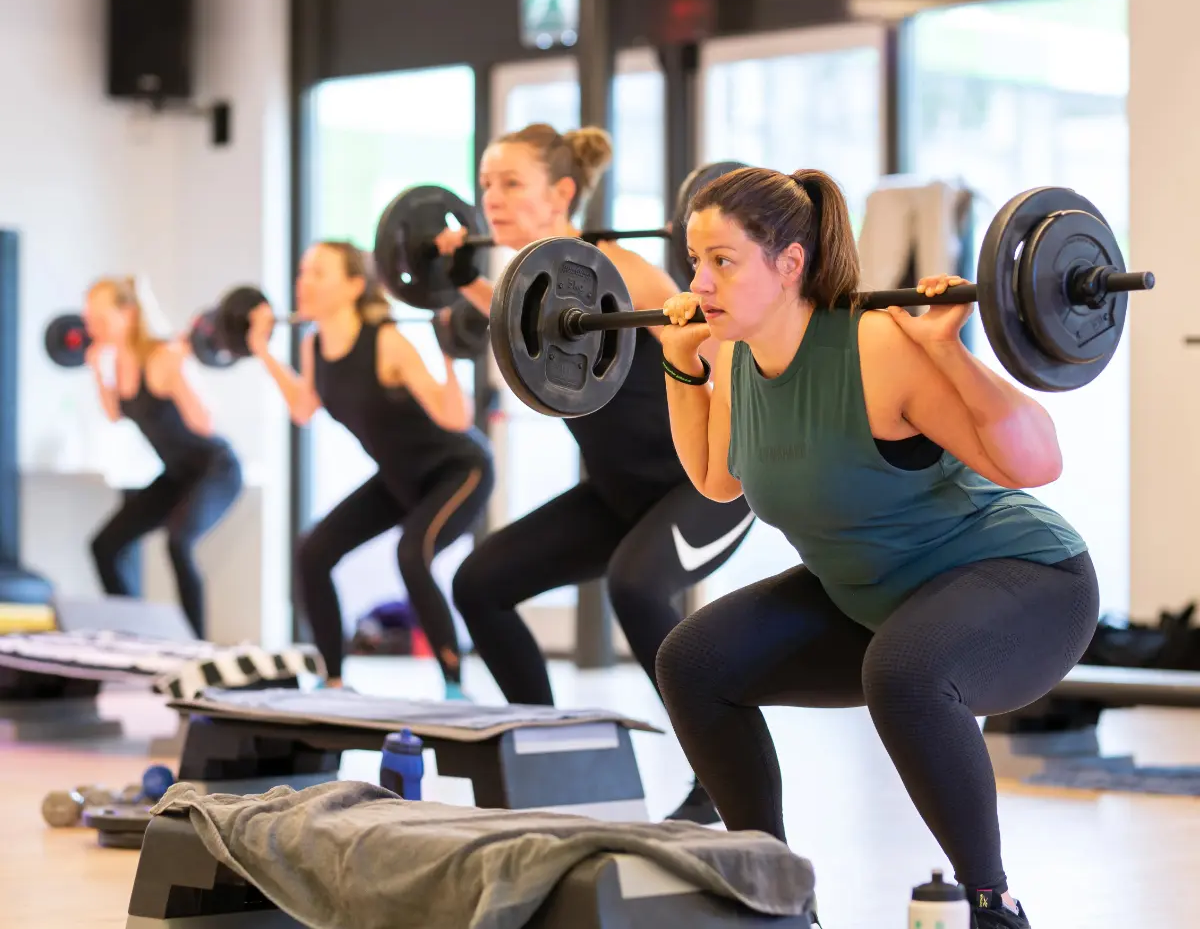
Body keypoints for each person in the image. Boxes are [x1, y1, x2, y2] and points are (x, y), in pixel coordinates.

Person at [655, 166, 1100, 929]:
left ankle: (993, 906)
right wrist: (677, 361)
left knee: (904, 672)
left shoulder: (875, 347)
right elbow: (716, 478)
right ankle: (772, 897)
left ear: (789, 262)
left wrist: (950, 353)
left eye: (721, 261)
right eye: (695, 261)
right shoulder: (735, 356)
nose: (700, 283)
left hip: (1026, 582)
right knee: (693, 663)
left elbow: (1037, 465)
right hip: (876, 599)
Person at [438, 123, 756, 824]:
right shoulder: (531, 286)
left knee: (636, 587)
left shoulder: (619, 268)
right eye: (486, 182)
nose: (491, 197)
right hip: (617, 496)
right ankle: (549, 754)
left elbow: (714, 343)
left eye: (511, 183)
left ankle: (719, 778)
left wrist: (694, 315)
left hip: (705, 484)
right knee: (480, 584)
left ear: (561, 193)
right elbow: (513, 327)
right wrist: (458, 277)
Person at [250, 241, 492, 697]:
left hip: (458, 469)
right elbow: (304, 408)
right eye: (303, 271)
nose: (304, 281)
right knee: (313, 552)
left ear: (354, 285)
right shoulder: (314, 344)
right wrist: (261, 350)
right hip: (399, 477)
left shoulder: (386, 341)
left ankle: (456, 685)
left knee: (411, 553)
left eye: (318, 272)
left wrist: (446, 350)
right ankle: (335, 680)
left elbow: (455, 419)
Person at [84, 277, 243, 639]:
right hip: (177, 475)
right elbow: (114, 413)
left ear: (128, 313)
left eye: (98, 316)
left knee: (178, 541)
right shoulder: (119, 363)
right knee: (104, 546)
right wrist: (96, 368)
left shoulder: (161, 356)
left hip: (216, 469)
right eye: (89, 317)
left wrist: (181, 370)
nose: (91, 325)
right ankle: (132, 637)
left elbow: (205, 423)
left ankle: (195, 647)